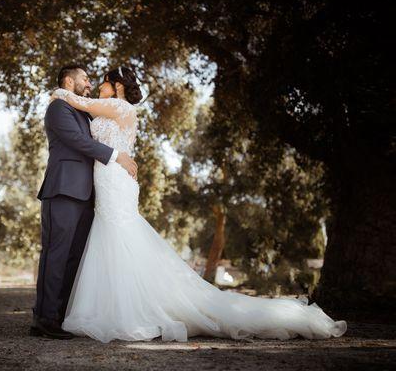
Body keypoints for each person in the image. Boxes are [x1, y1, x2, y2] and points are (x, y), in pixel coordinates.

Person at [49, 66, 347, 343]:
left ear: (116, 86)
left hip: (114, 178)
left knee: (119, 237)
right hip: (110, 180)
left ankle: (128, 311)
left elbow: (80, 104)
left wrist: (59, 92)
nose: (97, 88)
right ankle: (113, 308)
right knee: (114, 239)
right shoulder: (117, 109)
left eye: (102, 84)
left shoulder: (118, 106)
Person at [31, 65, 138, 339]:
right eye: (85, 79)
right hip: (63, 189)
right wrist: (116, 155)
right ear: (69, 81)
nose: (90, 83)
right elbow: (76, 141)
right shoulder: (59, 107)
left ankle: (61, 316)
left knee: (74, 257)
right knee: (56, 253)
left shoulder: (82, 110)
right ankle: (43, 318)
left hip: (89, 194)